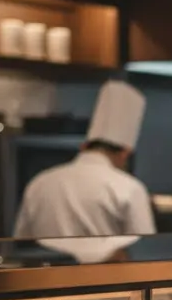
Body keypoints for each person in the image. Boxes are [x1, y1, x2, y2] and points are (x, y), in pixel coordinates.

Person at [13, 80, 155, 239]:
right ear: (125, 153)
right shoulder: (129, 188)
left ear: (83, 146)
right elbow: (143, 249)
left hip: (47, 264)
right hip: (109, 265)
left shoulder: (39, 183)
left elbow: (21, 241)